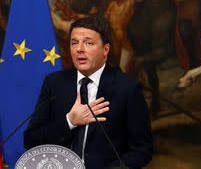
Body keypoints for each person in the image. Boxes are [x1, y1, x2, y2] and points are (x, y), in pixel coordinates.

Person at [24, 16, 153, 169]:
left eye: (88, 43)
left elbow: (141, 150)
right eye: (74, 43)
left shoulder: (127, 88)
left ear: (105, 50)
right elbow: (31, 140)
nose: (79, 49)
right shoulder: (54, 83)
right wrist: (70, 121)